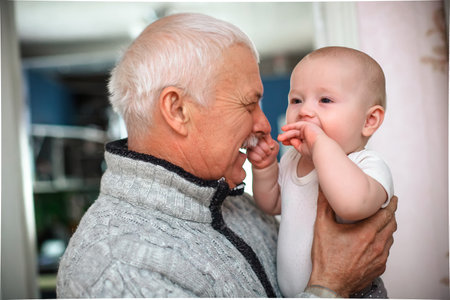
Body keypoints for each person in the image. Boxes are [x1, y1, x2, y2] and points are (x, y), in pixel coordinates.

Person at [56, 14, 397, 298]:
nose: (265, 125)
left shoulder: (231, 202)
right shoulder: (118, 268)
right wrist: (331, 287)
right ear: (178, 110)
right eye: (249, 104)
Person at [248, 46, 394, 298]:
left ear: (369, 121)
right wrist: (265, 169)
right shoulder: (294, 159)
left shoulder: (367, 164)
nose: (304, 110)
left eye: (325, 100)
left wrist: (321, 145)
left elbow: (351, 204)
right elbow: (271, 203)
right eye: (296, 100)